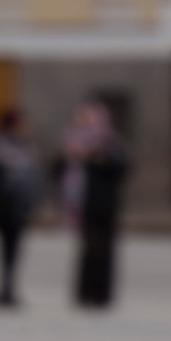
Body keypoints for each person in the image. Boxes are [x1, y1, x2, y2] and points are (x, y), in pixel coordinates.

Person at [58, 97, 129, 312]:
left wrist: (97, 157)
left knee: (104, 251)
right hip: (83, 205)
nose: (85, 121)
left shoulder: (109, 142)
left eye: (89, 117)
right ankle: (84, 293)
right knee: (87, 251)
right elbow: (58, 168)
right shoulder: (73, 141)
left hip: (105, 205)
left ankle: (101, 295)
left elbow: (121, 167)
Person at [0, 105, 40, 308]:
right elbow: (3, 176)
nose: (27, 127)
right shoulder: (2, 146)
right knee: (6, 248)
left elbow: (33, 176)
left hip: (22, 205)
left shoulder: (25, 146)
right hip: (6, 204)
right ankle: (5, 288)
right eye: (22, 123)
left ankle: (9, 288)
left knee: (15, 249)